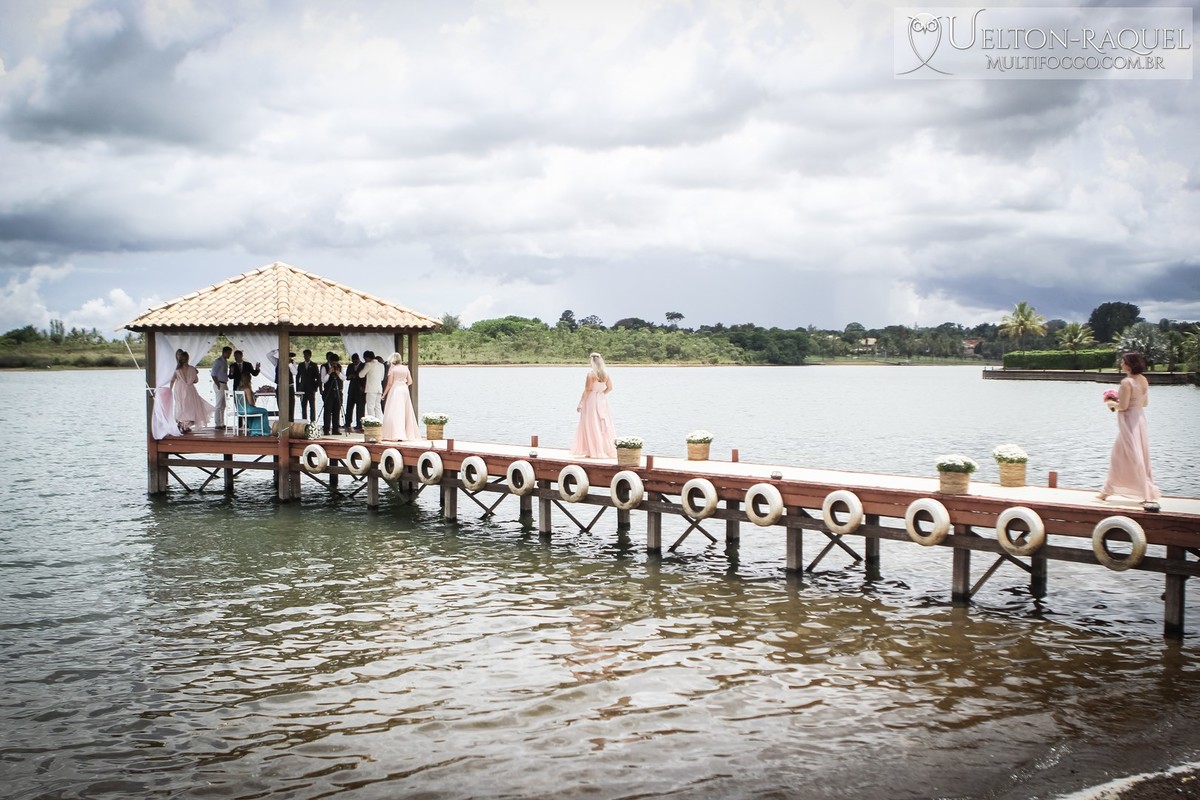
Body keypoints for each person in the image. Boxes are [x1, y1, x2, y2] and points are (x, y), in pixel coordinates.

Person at [1097, 351, 1161, 512]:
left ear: (1129, 364)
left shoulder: (1127, 382)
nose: (1121, 364)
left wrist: (1111, 404)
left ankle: (1144, 492)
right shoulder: (1144, 380)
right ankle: (1107, 491)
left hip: (1129, 422)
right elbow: (1144, 403)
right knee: (1135, 454)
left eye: (1123, 362)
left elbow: (1123, 407)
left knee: (1127, 455)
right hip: (1139, 419)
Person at [571, 352, 617, 459]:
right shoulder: (606, 374)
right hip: (602, 399)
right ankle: (604, 449)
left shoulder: (591, 374)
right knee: (602, 424)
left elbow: (588, 390)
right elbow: (610, 388)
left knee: (591, 424)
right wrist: (601, 395)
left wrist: (581, 403)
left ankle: (592, 450)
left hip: (591, 400)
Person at [170, 350, 215, 434]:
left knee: (181, 406)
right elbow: (196, 380)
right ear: (187, 359)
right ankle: (185, 425)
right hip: (189, 389)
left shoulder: (177, 369)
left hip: (179, 389)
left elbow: (172, 380)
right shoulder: (192, 369)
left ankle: (182, 423)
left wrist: (170, 389)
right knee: (191, 407)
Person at [380, 352, 420, 440]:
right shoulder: (405, 369)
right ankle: (407, 434)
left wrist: (384, 394)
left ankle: (395, 434)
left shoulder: (392, 369)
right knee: (406, 411)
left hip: (396, 390)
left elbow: (390, 383)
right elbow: (410, 381)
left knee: (395, 411)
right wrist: (403, 383)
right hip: (404, 390)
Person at [235, 356, 270, 435]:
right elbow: (251, 403)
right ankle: (262, 431)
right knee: (264, 411)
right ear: (249, 379)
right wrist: (254, 398)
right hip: (247, 409)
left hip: (240, 409)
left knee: (257, 411)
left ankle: (254, 430)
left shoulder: (238, 388)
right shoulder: (247, 389)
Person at [268, 349, 297, 417]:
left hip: (289, 387)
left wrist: (289, 363)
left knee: (290, 408)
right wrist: (277, 351)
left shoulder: (292, 363)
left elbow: (295, 372)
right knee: (281, 407)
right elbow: (268, 356)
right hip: (280, 387)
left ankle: (290, 423)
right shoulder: (277, 361)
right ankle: (282, 424)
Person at [321, 355, 344, 435]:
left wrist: (338, 373)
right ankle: (326, 429)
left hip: (337, 391)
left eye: (336, 363)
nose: (334, 364)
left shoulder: (339, 367)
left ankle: (335, 429)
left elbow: (344, 378)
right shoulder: (324, 367)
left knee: (336, 410)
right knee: (327, 411)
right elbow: (323, 380)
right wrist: (329, 373)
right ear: (329, 361)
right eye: (333, 363)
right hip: (328, 391)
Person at [209, 345, 232, 430]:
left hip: (224, 383)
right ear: (224, 352)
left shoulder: (225, 362)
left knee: (223, 405)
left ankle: (222, 422)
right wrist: (217, 383)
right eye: (228, 353)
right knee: (219, 404)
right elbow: (213, 374)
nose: (229, 355)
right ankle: (217, 423)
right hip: (219, 383)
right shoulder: (218, 361)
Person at [296, 349, 321, 422]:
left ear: (310, 356)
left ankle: (312, 422)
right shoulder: (300, 365)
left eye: (307, 355)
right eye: (304, 355)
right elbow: (298, 377)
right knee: (303, 406)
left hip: (311, 388)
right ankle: (304, 421)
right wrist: (297, 390)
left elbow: (318, 377)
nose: (305, 357)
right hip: (302, 388)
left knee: (312, 406)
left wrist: (316, 388)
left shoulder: (314, 365)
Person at [360, 349, 385, 420]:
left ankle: (372, 423)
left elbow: (361, 375)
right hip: (379, 389)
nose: (365, 360)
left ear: (367, 358)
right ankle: (379, 423)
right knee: (378, 406)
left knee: (370, 407)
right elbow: (382, 378)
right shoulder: (381, 365)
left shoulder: (368, 364)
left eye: (365, 358)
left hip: (371, 389)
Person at [344, 353, 365, 431]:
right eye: (353, 361)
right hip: (352, 389)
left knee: (360, 408)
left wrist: (363, 387)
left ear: (359, 359)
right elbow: (347, 377)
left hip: (360, 389)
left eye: (356, 361)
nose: (354, 362)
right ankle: (347, 423)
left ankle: (359, 424)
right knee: (349, 407)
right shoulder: (350, 366)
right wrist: (350, 376)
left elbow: (364, 377)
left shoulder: (363, 365)